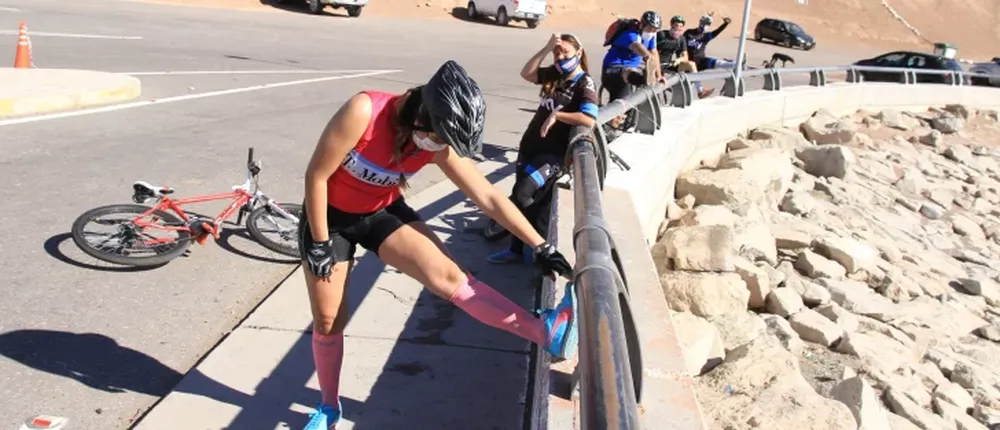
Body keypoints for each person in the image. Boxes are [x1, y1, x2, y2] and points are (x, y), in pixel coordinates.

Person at [297, 60, 579, 430]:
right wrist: (319, 242)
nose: (440, 147)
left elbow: (487, 196)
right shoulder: (364, 111)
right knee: (329, 320)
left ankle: (547, 332)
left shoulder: (436, 141)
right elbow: (316, 176)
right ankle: (329, 407)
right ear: (422, 113)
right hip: (328, 219)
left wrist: (540, 245)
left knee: (452, 279)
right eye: (440, 137)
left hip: (380, 211)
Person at [487, 33, 599, 265]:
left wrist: (558, 115)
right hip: (530, 146)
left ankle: (542, 251)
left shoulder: (584, 83)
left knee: (523, 195)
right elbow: (527, 73)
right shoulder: (555, 74)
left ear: (579, 53)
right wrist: (546, 48)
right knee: (521, 198)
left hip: (553, 154)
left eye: (565, 53)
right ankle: (515, 250)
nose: (560, 57)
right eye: (557, 53)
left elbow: (589, 118)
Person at [601, 11, 665, 129]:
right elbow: (637, 46)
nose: (652, 32)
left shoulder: (651, 36)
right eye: (650, 28)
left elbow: (654, 52)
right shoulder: (630, 33)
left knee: (624, 108)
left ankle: (644, 79)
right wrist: (647, 57)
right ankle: (643, 79)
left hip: (630, 75)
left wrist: (659, 75)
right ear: (642, 24)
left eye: (655, 29)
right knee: (627, 72)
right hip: (612, 70)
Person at [656, 15, 714, 98]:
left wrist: (680, 59)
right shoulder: (662, 35)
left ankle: (700, 91)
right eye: (676, 25)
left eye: (681, 26)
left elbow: (685, 56)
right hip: (656, 63)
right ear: (671, 25)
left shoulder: (681, 39)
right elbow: (652, 50)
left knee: (691, 64)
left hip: (669, 64)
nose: (678, 28)